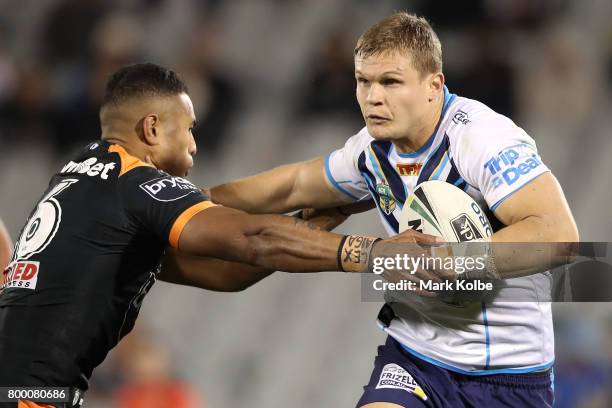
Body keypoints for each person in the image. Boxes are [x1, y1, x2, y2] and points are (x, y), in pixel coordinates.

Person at [0, 62, 433, 408]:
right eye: (188, 128)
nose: (193, 144)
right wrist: (371, 252)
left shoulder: (82, 179)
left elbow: (227, 273)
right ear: (151, 129)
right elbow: (253, 238)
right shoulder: (134, 183)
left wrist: (321, 216)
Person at [209, 12, 579, 408]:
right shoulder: (371, 148)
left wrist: (449, 260)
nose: (372, 97)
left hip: (508, 378)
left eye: (390, 82)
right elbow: (294, 185)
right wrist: (190, 201)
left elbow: (558, 235)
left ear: (434, 85)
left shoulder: (483, 139)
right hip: (416, 358)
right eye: (363, 81)